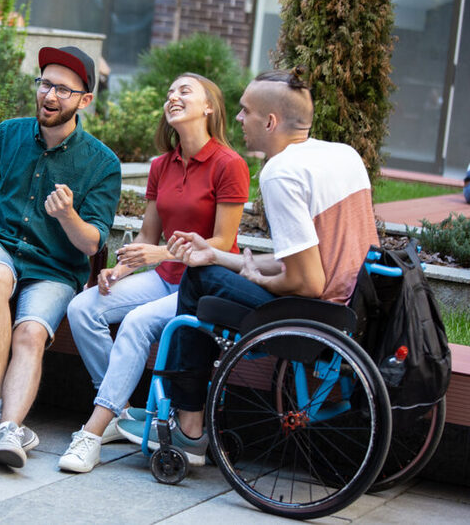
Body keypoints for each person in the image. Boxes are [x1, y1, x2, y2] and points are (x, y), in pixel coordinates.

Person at [149, 67, 380, 461]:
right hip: (355, 306)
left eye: (245, 111)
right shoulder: (342, 155)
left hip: (315, 314)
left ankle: (189, 424)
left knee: (197, 278)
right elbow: (312, 257)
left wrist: (258, 277)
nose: (237, 119)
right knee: (208, 266)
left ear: (270, 122)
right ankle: (191, 416)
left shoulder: (280, 173)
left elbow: (307, 282)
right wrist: (222, 256)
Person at [57, 74, 249, 473]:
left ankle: (92, 432)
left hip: (202, 285)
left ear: (209, 107)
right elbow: (147, 235)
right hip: (163, 277)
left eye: (184, 91)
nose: (172, 97)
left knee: (137, 323)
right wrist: (120, 269)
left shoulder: (229, 165)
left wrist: (159, 251)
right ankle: (119, 409)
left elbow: (221, 243)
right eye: (170, 92)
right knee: (83, 308)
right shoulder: (162, 165)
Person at [0, 46, 122, 469]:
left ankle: (9, 429)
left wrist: (67, 215)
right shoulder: (7, 134)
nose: (50, 95)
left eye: (63, 89)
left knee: (30, 333)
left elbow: (91, 244)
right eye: (45, 83)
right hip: (1, 248)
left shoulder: (103, 164)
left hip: (55, 269)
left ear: (85, 100)